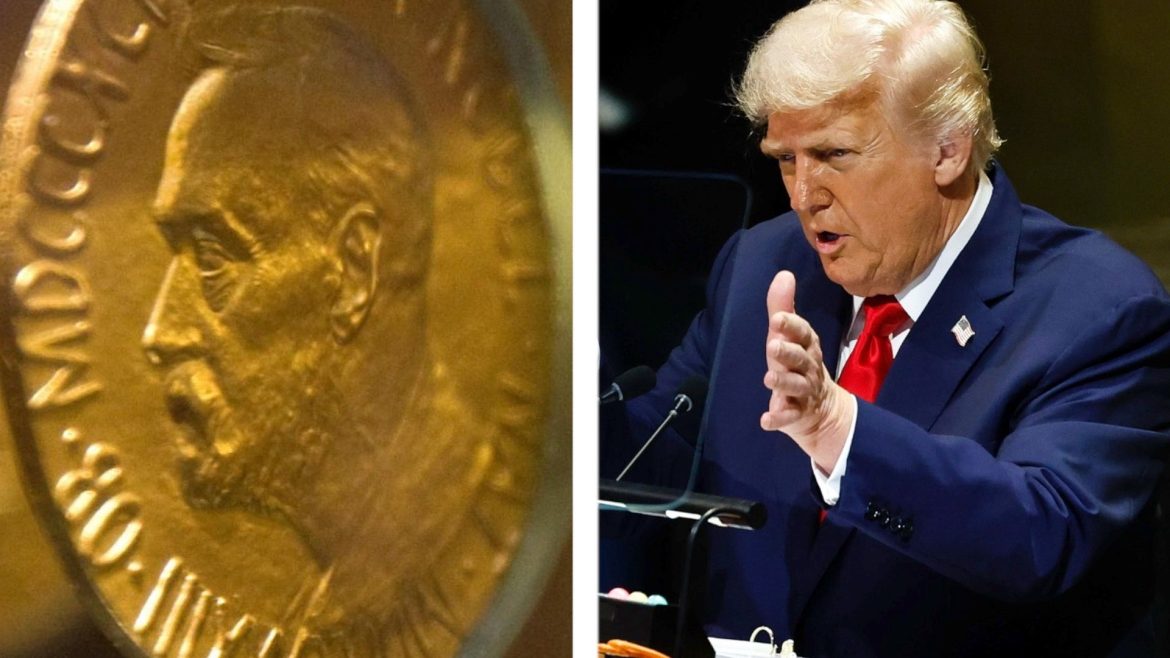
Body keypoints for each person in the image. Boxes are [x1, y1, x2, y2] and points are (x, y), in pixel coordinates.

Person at [603, 1, 1170, 656]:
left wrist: (837, 428)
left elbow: (1040, 534)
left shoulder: (1103, 309)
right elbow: (652, 457)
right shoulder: (766, 263)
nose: (803, 194)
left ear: (947, 149)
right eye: (785, 159)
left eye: (833, 154)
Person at [140, 7, 531, 654]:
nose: (160, 329)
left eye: (212, 258)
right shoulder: (339, 600)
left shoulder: (450, 560)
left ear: (354, 270)